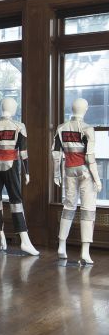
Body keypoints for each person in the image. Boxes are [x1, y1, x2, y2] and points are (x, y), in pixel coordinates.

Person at [0, 98, 39, 255]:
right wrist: (27, 172)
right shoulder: (19, 126)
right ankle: (24, 240)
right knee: (16, 201)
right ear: (13, 108)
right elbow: (23, 153)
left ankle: (1, 237)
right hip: (11, 165)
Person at [52, 98, 102, 264]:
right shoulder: (88, 129)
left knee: (68, 207)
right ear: (85, 109)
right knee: (88, 210)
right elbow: (89, 157)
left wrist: (56, 175)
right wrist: (97, 178)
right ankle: (85, 251)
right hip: (85, 172)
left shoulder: (61, 128)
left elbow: (56, 154)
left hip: (69, 171)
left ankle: (61, 246)